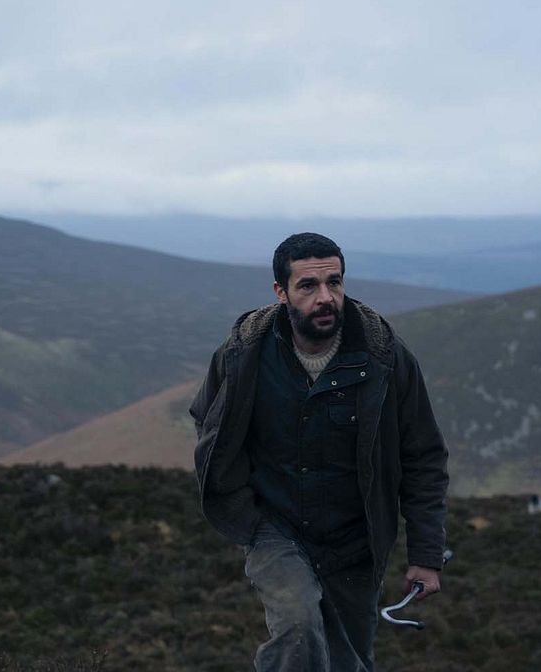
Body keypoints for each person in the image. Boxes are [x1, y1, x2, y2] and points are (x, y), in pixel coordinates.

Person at [190, 232, 449, 671]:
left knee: (349, 661)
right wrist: (242, 509)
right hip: (275, 529)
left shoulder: (384, 357)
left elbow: (422, 455)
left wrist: (425, 554)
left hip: (355, 539)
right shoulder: (245, 355)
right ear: (281, 292)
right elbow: (209, 421)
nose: (326, 297)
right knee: (298, 628)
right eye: (308, 286)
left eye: (335, 282)